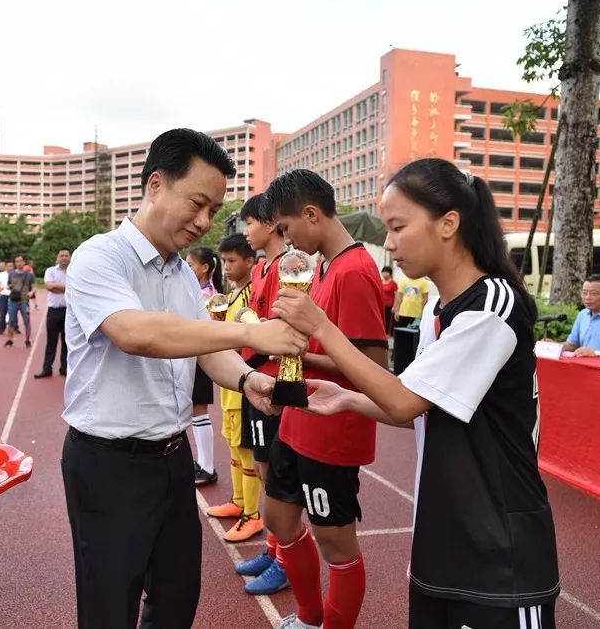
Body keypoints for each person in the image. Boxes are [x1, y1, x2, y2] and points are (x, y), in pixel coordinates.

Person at [273, 159, 560, 629]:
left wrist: (322, 327)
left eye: (398, 227)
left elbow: (405, 400)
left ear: (449, 223)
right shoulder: (436, 307)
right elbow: (420, 402)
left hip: (500, 547)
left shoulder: (492, 306)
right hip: (442, 533)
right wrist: (347, 399)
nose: (389, 243)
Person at [61, 128, 307, 629]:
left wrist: (248, 381)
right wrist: (253, 335)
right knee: (110, 606)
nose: (204, 222)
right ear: (155, 185)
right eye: (197, 203)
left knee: (176, 599)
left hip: (171, 461)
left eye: (214, 211)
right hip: (108, 465)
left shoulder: (180, 273)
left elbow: (208, 349)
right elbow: (135, 333)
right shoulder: (100, 257)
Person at [262, 169, 389, 629]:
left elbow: (372, 364)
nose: (287, 238)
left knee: (336, 543)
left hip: (331, 428)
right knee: (276, 515)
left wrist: (307, 347)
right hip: (301, 418)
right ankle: (310, 617)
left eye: (287, 226)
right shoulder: (326, 266)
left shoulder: (355, 271)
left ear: (311, 214)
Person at [235, 192, 292, 595]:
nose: (246, 232)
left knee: (277, 476)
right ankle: (273, 549)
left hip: (273, 379)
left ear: (271, 223)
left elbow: (281, 328)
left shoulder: (288, 267)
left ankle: (286, 559)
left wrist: (251, 324)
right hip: (252, 375)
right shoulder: (259, 269)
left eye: (250, 223)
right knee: (261, 465)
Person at [205, 232, 263, 543]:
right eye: (223, 261)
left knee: (245, 448)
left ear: (249, 261)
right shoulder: (232, 293)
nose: (225, 267)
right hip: (227, 383)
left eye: (231, 261)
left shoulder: (251, 295)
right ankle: (238, 500)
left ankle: (252, 515)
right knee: (231, 443)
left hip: (242, 380)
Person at [186, 246, 222, 485]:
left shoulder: (207, 294)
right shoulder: (199, 290)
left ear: (204, 268)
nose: (187, 270)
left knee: (199, 410)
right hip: (194, 355)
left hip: (200, 355)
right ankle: (203, 463)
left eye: (190, 266)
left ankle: (207, 467)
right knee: (195, 410)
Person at [34, 249, 71, 378]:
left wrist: (57, 286)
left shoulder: (74, 271)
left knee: (67, 342)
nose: (64, 258)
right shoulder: (50, 271)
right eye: (62, 255)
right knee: (51, 341)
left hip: (69, 312)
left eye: (66, 255)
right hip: (54, 311)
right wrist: (67, 288)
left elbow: (75, 287)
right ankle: (47, 368)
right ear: (57, 257)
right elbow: (49, 286)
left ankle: (65, 368)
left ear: (70, 257)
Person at [6, 254, 36, 348]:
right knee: (11, 321)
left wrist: (31, 292)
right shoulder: (11, 274)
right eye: (17, 261)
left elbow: (34, 286)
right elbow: (8, 285)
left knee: (26, 321)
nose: (18, 263)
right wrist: (8, 287)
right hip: (13, 300)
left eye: (20, 261)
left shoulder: (29, 275)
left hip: (24, 301)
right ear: (15, 263)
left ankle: (27, 340)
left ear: (24, 262)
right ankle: (10, 339)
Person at [0, 259, 17, 335]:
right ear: (6, 267)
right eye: (8, 266)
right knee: (3, 312)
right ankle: (2, 328)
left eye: (11, 266)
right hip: (4, 296)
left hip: (14, 296)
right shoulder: (1, 274)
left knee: (14, 313)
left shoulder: (17, 274)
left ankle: (15, 327)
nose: (10, 268)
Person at [380, 266, 398, 335]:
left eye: (387, 272)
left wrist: (395, 306)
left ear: (390, 273)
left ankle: (387, 334)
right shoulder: (380, 281)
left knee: (388, 321)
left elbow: (397, 296)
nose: (385, 273)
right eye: (384, 272)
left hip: (389, 305)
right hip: (381, 305)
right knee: (381, 320)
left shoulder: (393, 283)